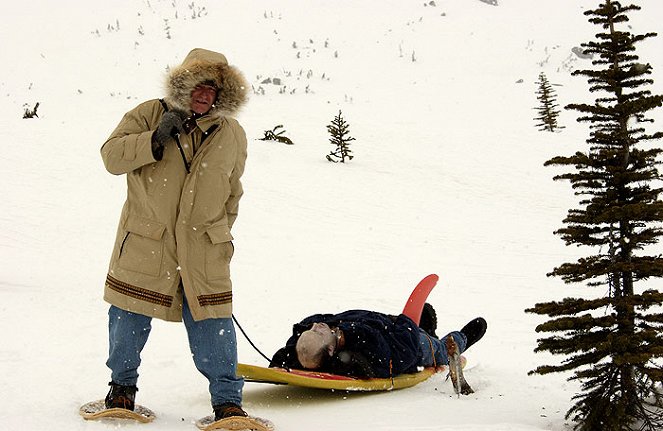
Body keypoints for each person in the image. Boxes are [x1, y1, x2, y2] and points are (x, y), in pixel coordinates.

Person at [99, 48, 249, 421]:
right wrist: (153, 139)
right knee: (129, 318)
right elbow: (111, 157)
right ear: (184, 85)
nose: (205, 95)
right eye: (199, 86)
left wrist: (219, 232)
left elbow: (233, 190)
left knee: (213, 324)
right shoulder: (150, 113)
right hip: (148, 242)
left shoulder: (232, 133)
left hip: (205, 247)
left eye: (213, 90)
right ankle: (121, 391)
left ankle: (227, 402)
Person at [270, 305, 486, 392]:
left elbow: (301, 340)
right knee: (439, 348)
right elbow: (406, 352)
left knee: (423, 333)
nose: (317, 326)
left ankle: (426, 328)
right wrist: (405, 322)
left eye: (311, 329)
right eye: (317, 332)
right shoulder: (368, 350)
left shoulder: (311, 345)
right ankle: (462, 337)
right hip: (408, 340)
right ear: (329, 351)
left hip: (387, 325)